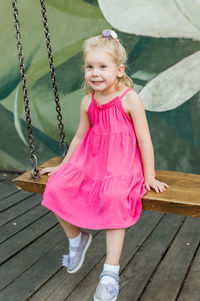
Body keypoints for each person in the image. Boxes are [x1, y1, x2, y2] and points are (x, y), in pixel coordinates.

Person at [40, 29, 169, 301]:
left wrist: (149, 176)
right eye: (90, 67)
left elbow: (144, 140)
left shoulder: (129, 99)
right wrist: (64, 166)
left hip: (122, 164)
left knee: (113, 198)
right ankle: (77, 240)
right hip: (93, 160)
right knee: (55, 187)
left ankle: (110, 271)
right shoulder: (88, 101)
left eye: (102, 67)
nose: (95, 73)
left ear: (119, 70)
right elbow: (79, 136)